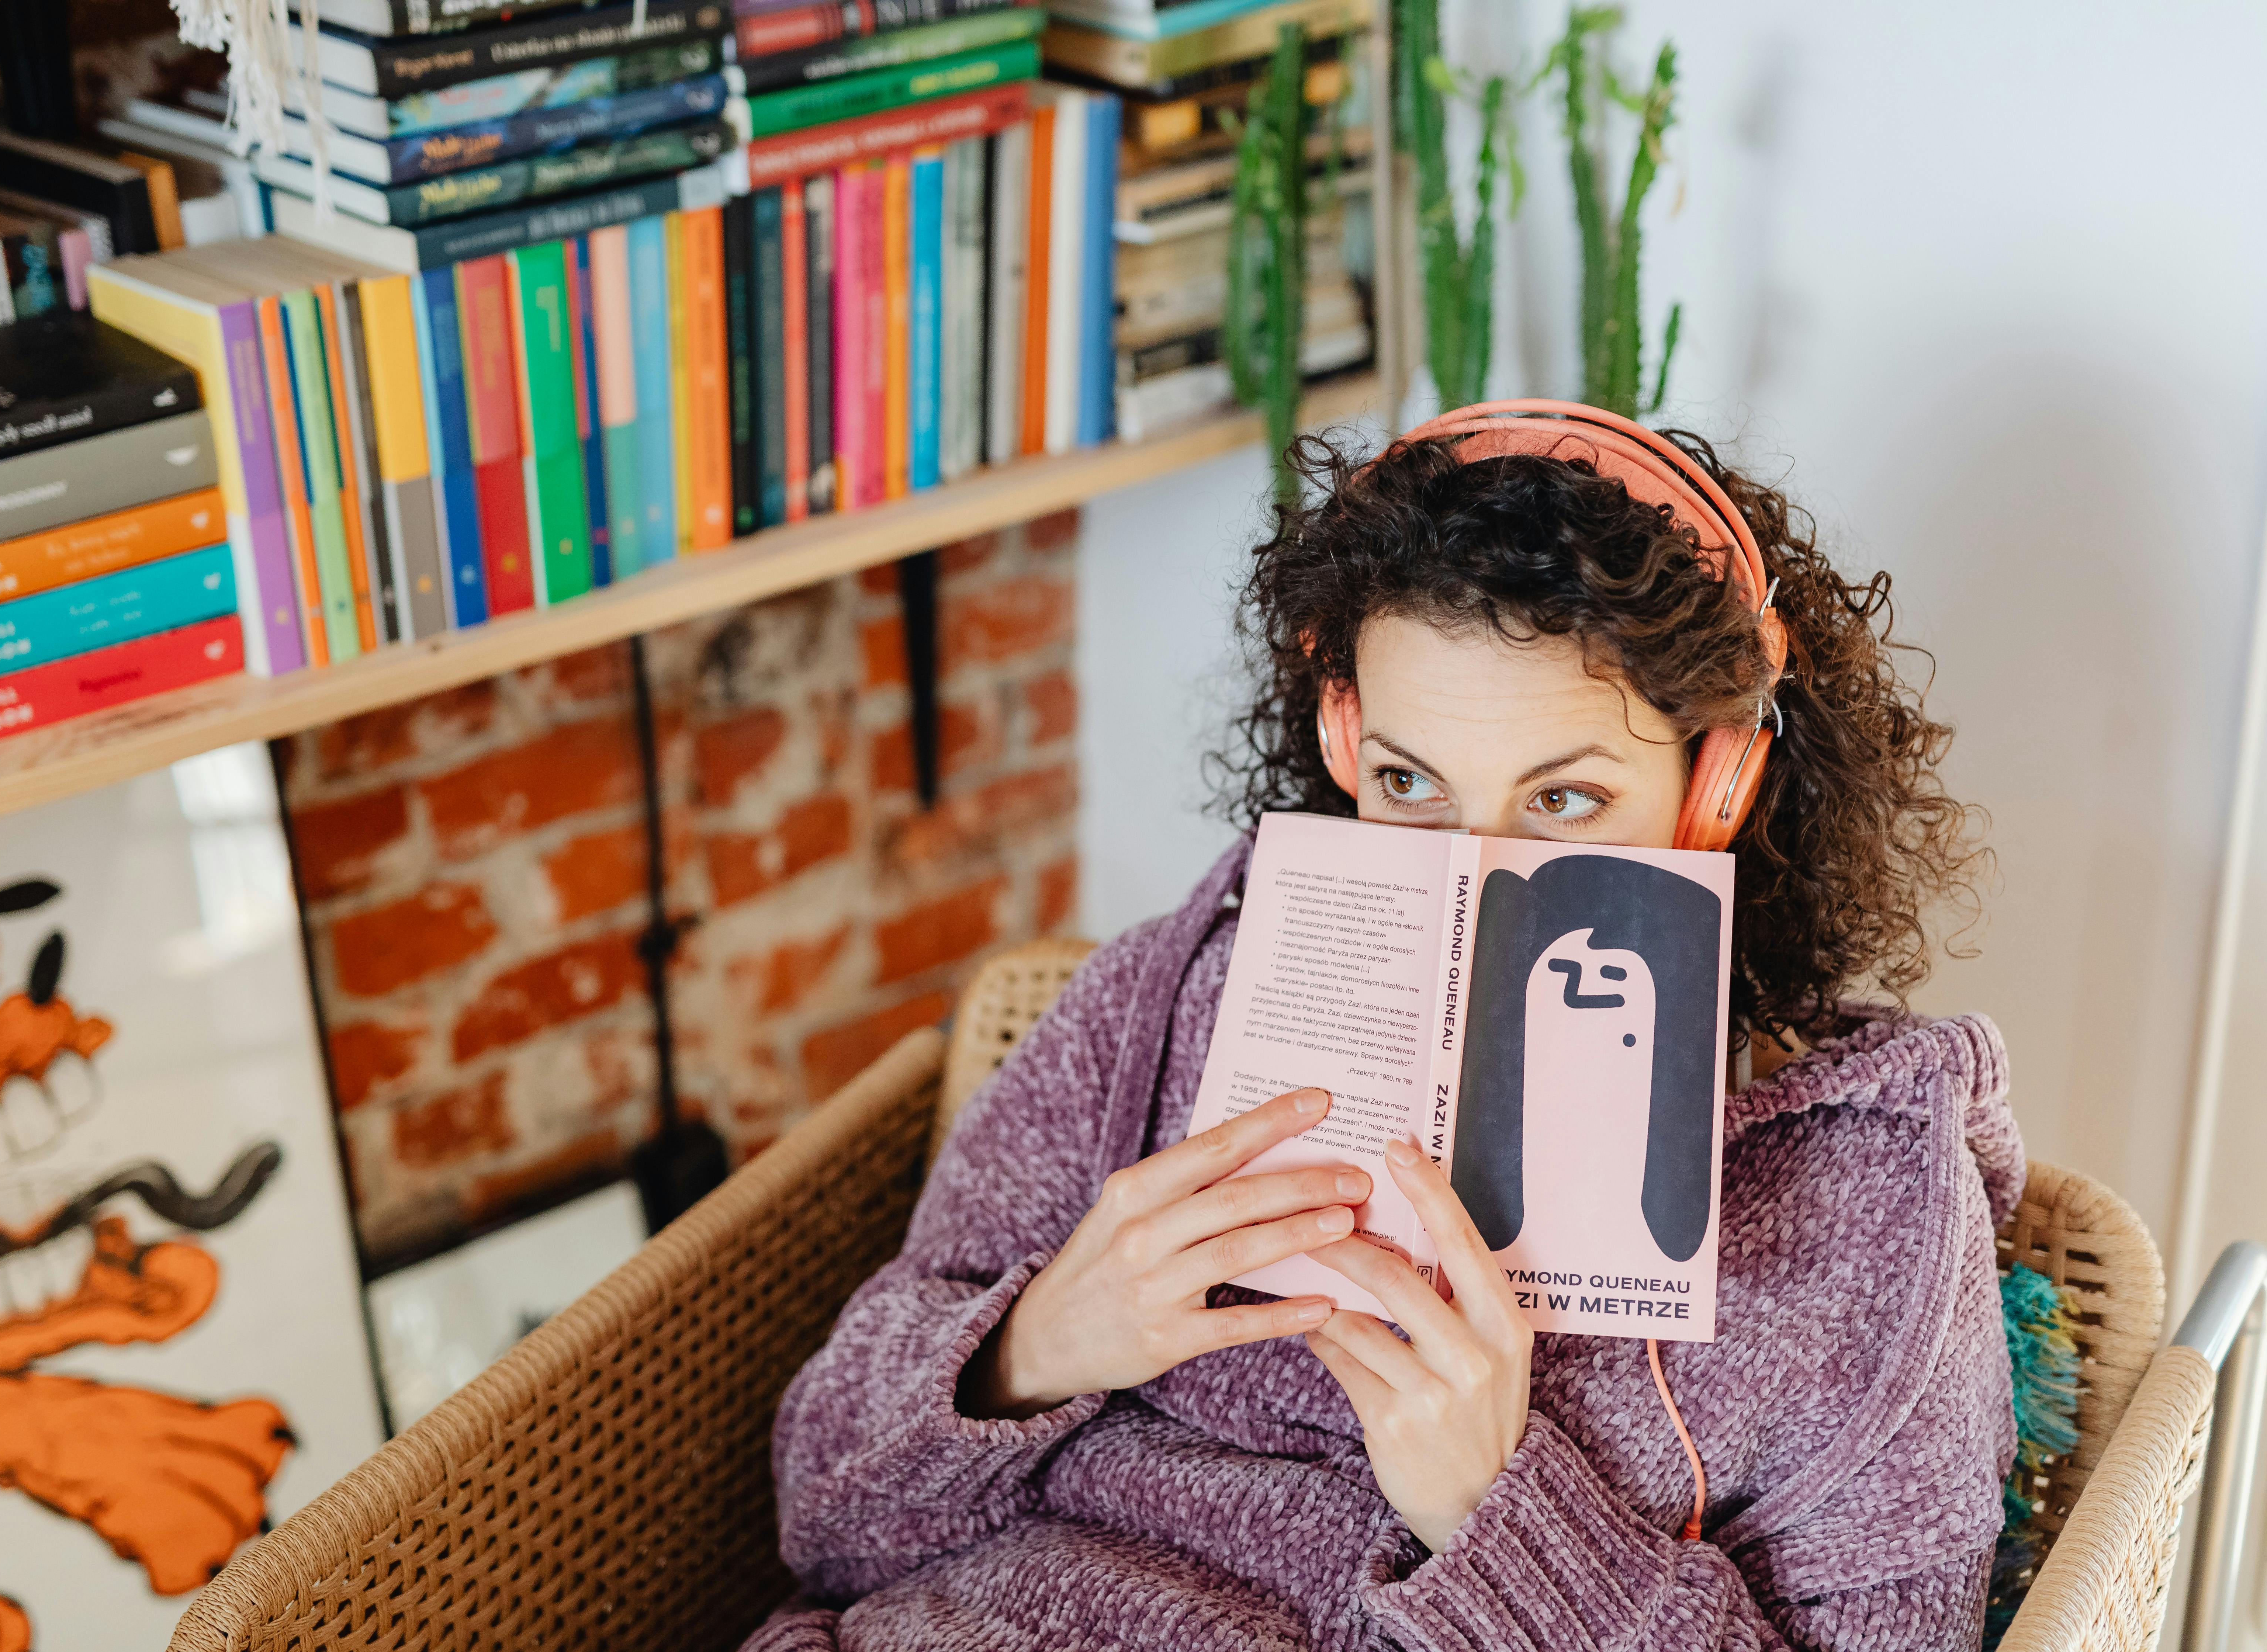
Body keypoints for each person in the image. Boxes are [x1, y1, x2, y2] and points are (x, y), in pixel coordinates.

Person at [747, 403, 2018, 1652]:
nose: (1473, 872)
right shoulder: (1165, 999)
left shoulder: (1875, 1200)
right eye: (1411, 784)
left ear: (1717, 784)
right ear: (1345, 736)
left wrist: (1497, 1511)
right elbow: (822, 1522)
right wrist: (1030, 1350)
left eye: (1564, 799)